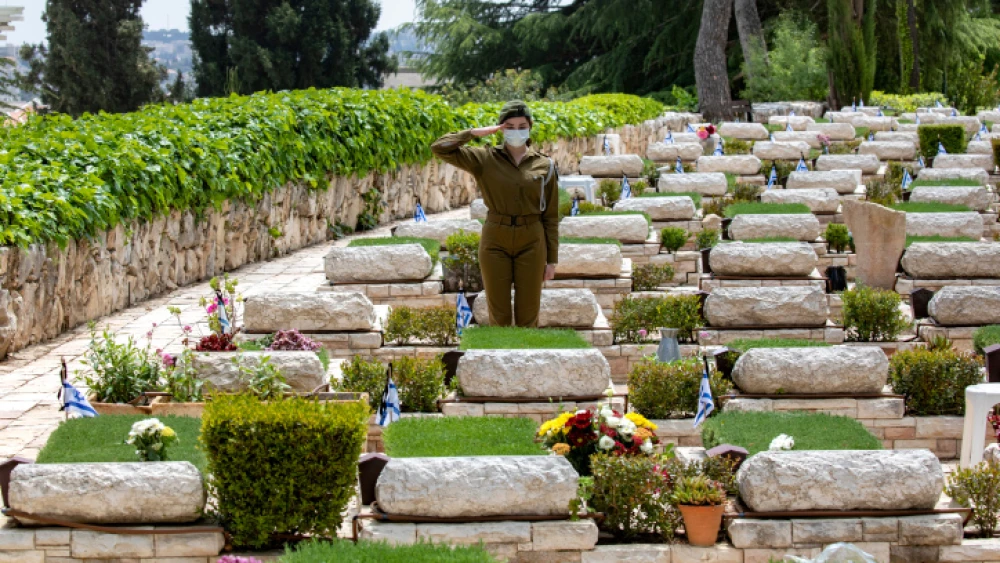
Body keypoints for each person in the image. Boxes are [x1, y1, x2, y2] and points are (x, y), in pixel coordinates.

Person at [431, 100, 559, 328]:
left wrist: (552, 260)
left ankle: (525, 360)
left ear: (530, 127)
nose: (516, 131)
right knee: (498, 314)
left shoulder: (545, 165)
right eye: (509, 126)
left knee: (528, 314)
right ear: (500, 128)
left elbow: (550, 216)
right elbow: (439, 147)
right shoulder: (485, 159)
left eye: (522, 125)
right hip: (495, 239)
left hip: (532, 238)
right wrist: (471, 133)